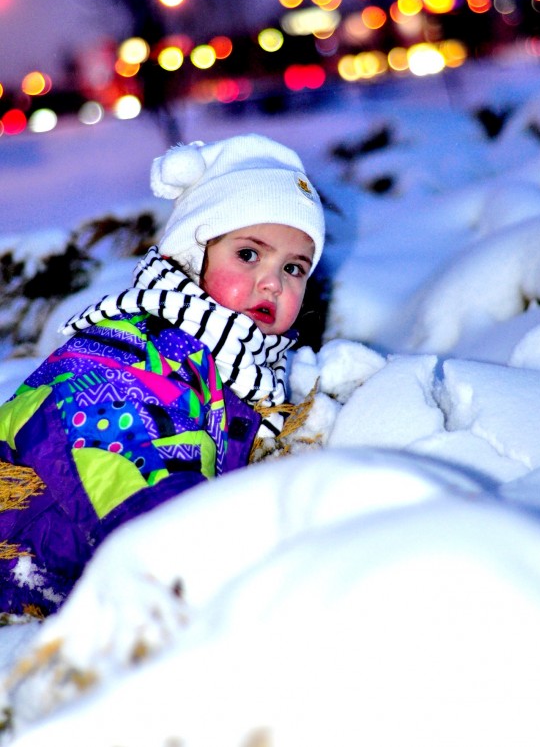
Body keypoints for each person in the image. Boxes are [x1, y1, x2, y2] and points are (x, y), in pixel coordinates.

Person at [0, 134, 325, 616]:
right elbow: (145, 490)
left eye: (295, 267)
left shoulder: (232, 371)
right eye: (249, 254)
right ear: (192, 256)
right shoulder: (122, 356)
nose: (273, 282)